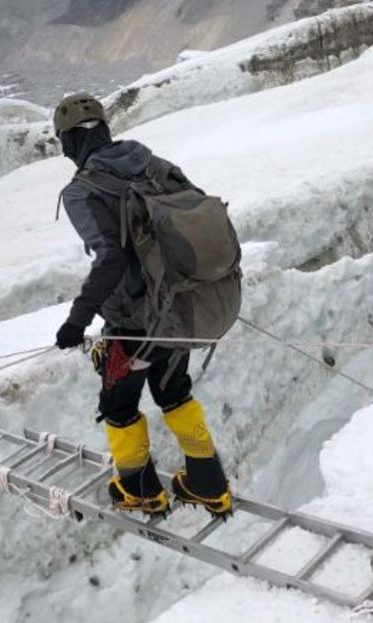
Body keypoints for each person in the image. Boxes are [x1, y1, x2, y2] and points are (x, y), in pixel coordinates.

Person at [51, 93, 232, 517]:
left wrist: (76, 322)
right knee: (174, 391)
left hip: (135, 324)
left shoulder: (82, 191)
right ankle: (209, 485)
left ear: (67, 143)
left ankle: (140, 491)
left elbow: (111, 258)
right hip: (182, 307)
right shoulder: (154, 164)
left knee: (118, 404)